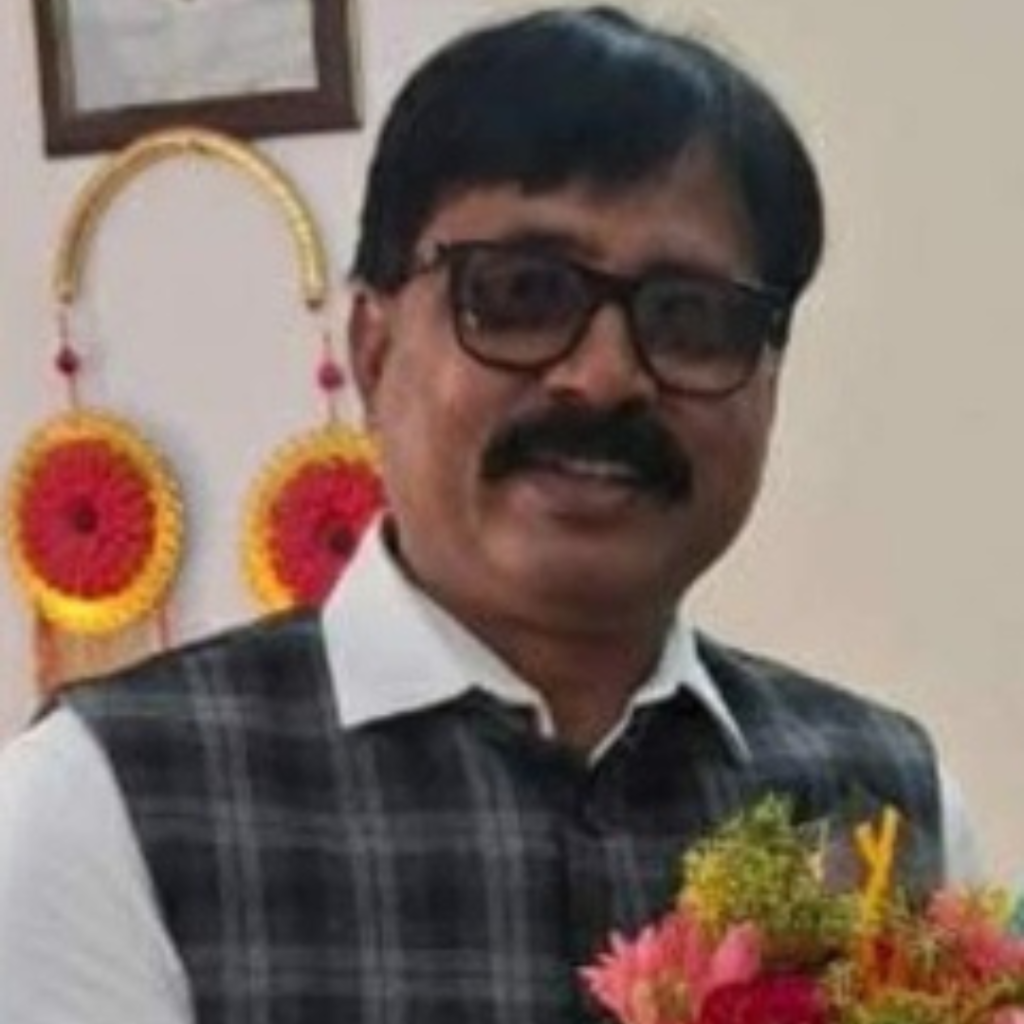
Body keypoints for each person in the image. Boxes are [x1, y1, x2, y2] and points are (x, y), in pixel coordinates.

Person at [0, 6, 977, 1023]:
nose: (604, 376)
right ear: (374, 349)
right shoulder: (112, 801)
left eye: (689, 316)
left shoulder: (880, 808)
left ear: (768, 380)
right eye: (521, 293)